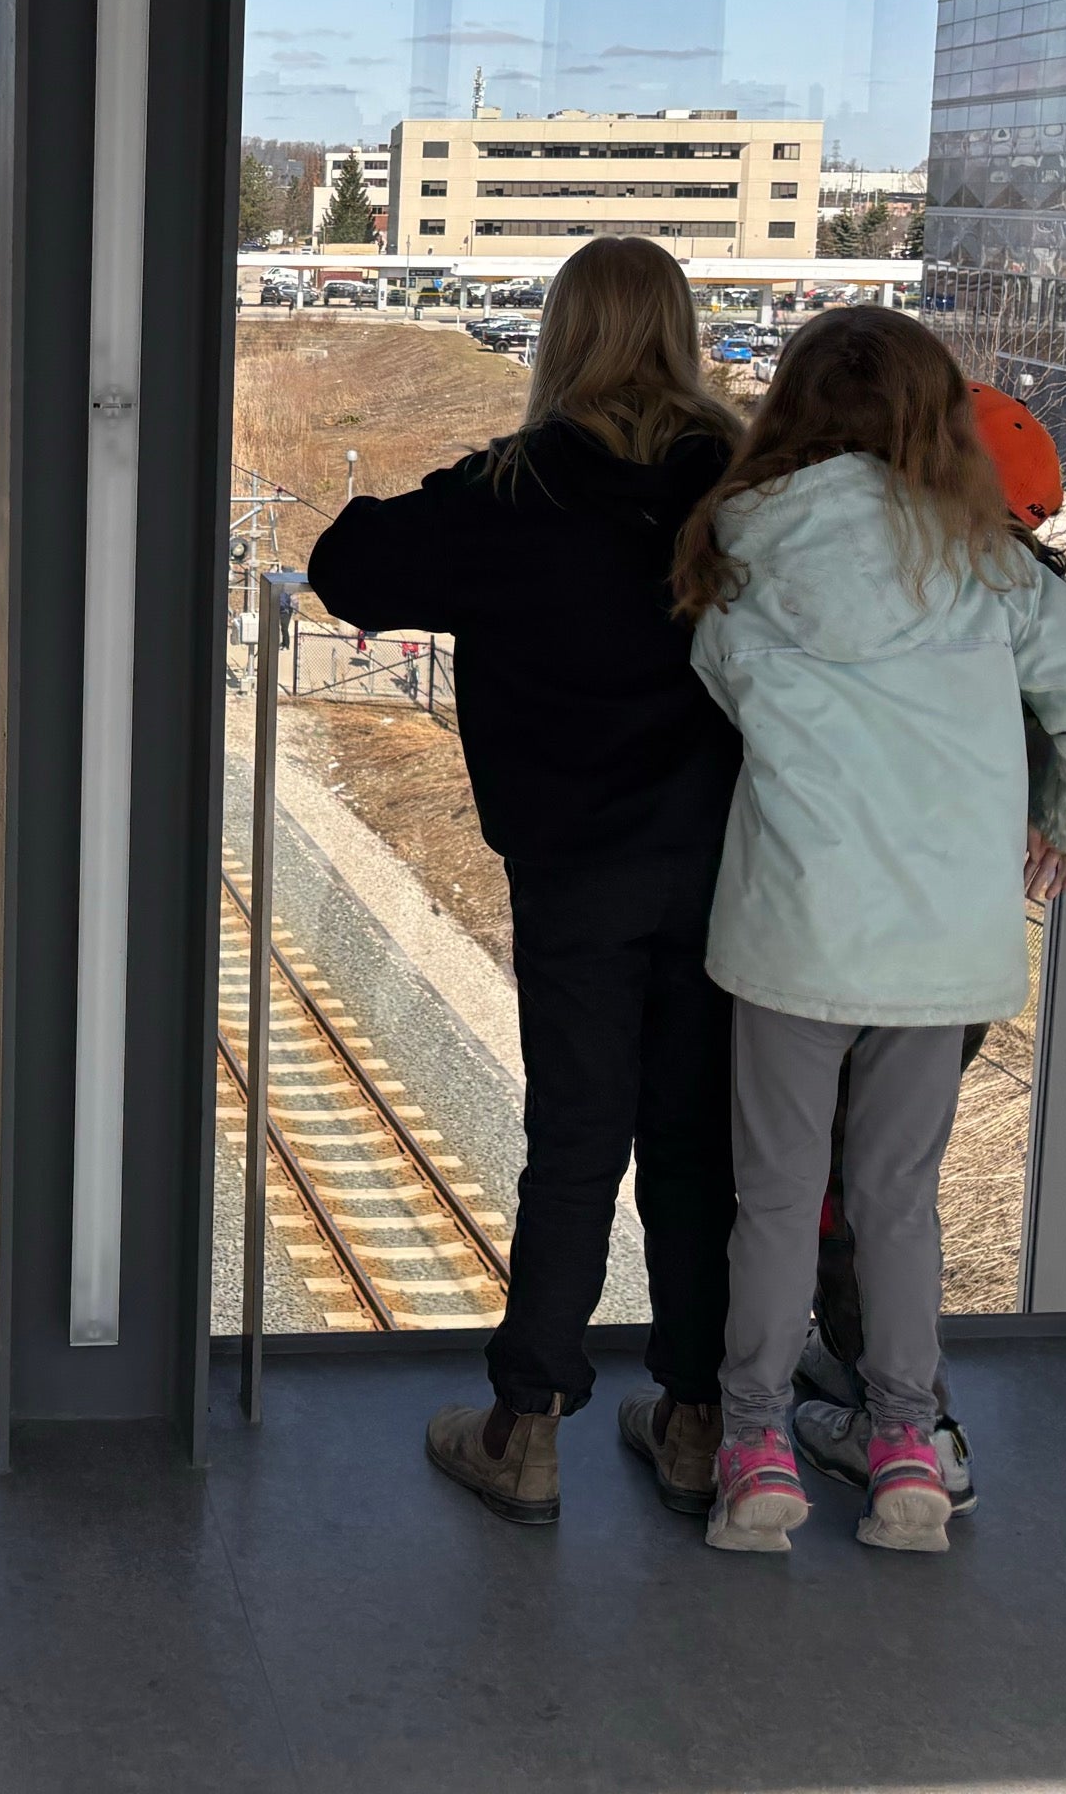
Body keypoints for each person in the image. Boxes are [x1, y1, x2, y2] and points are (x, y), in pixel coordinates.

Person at [673, 305, 1066, 1555]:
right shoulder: (985, 562)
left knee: (777, 1199)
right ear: (938, 420)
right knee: (898, 1200)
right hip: (945, 938)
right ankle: (904, 1452)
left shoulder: (739, 547)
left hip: (794, 930)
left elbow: (728, 689)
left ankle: (756, 1453)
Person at [307, 239, 746, 1526]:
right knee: (694, 1144)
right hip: (727, 863)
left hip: (575, 872)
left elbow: (346, 564)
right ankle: (696, 1420)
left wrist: (471, 481)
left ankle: (527, 1428)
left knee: (576, 1141)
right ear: (680, 334)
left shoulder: (515, 490)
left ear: (560, 338)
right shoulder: (741, 488)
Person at [788, 383, 1066, 1519]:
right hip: (960, 944)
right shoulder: (1034, 608)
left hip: (822, 926)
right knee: (884, 1177)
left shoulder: (839, 582)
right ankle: (882, 1390)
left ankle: (907, 1422)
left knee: (827, 1178)